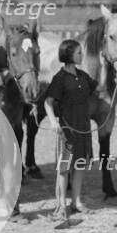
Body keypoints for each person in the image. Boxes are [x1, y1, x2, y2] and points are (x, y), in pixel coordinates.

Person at [44, 39, 99, 221]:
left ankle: (76, 202)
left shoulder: (83, 76)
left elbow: (97, 87)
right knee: (64, 168)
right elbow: (48, 102)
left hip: (83, 128)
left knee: (80, 165)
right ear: (68, 55)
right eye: (78, 53)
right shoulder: (59, 79)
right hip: (67, 129)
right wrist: (53, 121)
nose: (81, 55)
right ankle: (61, 205)